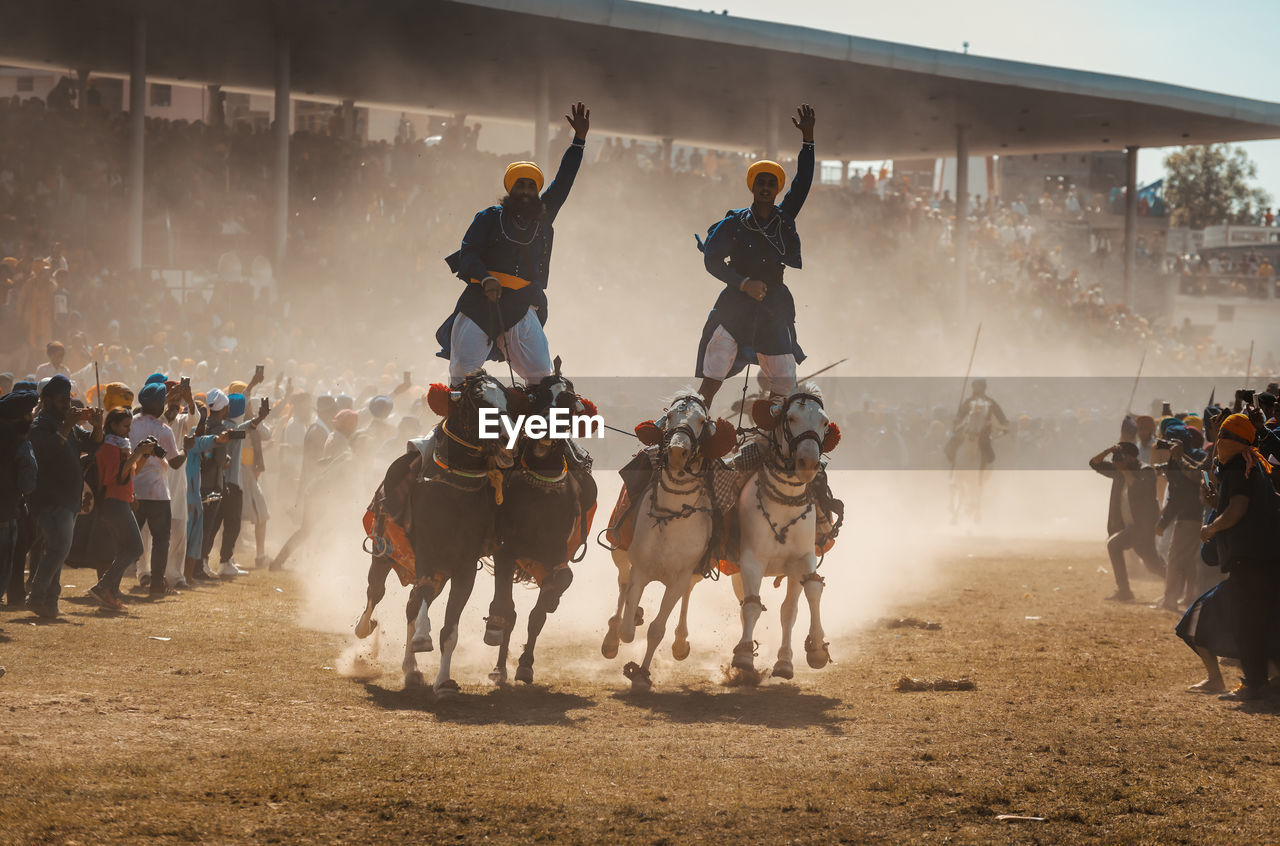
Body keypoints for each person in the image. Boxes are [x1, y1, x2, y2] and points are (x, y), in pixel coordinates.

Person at [436, 102, 592, 386]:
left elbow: (564, 180)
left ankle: (537, 429)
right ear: (511, 189)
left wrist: (579, 141)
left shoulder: (543, 217)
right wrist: (485, 279)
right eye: (520, 185)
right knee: (462, 376)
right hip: (479, 303)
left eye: (531, 186)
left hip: (523, 305)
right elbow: (469, 253)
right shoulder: (489, 217)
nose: (526, 190)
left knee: (542, 378)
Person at [694, 104, 816, 404]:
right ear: (753, 186)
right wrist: (743, 283)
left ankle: (773, 440)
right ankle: (691, 431)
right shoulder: (734, 223)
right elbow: (711, 260)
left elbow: (802, 184)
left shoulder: (784, 218)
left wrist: (808, 140)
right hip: (735, 306)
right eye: (760, 182)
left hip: (774, 308)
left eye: (771, 183)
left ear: (777, 189)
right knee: (712, 379)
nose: (765, 187)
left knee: (784, 388)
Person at [1200, 413, 1280, 701]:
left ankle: (1255, 684)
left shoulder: (1237, 467)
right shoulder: (1252, 465)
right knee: (1264, 621)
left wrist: (1211, 527)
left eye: (1225, 434)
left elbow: (1238, 509)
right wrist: (1215, 501)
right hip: (1265, 557)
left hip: (1251, 559)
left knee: (1247, 624)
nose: (1220, 440)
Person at [27, 375, 102, 617]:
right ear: (47, 400)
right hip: (50, 498)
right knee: (59, 549)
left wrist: (98, 425)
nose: (66, 406)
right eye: (61, 401)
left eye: (67, 400)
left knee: (58, 551)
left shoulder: (66, 424)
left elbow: (92, 445)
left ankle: (50, 603)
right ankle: (36, 595)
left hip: (69, 499)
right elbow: (43, 453)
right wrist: (67, 426)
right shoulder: (41, 424)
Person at [86, 406, 156, 612]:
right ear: (113, 425)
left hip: (120, 501)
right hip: (113, 503)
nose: (128, 430)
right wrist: (137, 453)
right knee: (135, 548)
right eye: (125, 426)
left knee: (124, 549)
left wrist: (143, 456)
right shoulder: (109, 448)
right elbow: (116, 477)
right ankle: (103, 587)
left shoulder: (121, 446)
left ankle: (110, 596)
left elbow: (129, 475)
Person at [1089, 440, 1166, 602]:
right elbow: (1094, 463)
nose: (1119, 460)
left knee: (1150, 562)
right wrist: (1108, 450)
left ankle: (1177, 585)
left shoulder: (1146, 470)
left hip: (1143, 525)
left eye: (1122, 456)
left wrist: (1124, 471)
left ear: (1132, 458)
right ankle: (1125, 590)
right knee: (1147, 559)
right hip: (1131, 526)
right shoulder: (1119, 470)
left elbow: (1139, 489)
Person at [129, 381, 184, 596]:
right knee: (161, 540)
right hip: (158, 494)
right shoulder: (164, 430)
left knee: (129, 538)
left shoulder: (130, 423)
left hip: (133, 490)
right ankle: (157, 585)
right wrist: (185, 449)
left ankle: (110, 581)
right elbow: (176, 462)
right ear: (160, 404)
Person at [1152, 427, 1207, 611]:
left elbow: (1177, 498)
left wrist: (1163, 522)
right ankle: (1190, 596)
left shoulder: (1180, 460)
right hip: (1202, 515)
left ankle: (1170, 600)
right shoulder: (1199, 456)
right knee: (1190, 559)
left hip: (1189, 517)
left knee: (1175, 558)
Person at [0, 387, 38, 606]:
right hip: (7, 511)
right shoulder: (21, 443)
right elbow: (28, 483)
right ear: (21, 417)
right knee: (4, 564)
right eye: (29, 414)